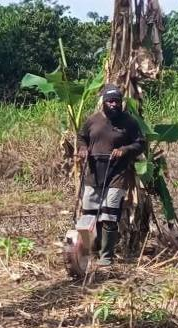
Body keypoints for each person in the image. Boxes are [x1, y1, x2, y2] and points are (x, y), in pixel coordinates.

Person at [76, 84, 147, 267]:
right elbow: (81, 137)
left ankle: (106, 256)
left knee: (109, 215)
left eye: (117, 101)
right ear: (104, 103)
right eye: (110, 101)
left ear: (121, 103)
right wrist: (83, 149)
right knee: (89, 215)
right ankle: (88, 252)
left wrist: (124, 150)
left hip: (117, 174)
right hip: (93, 174)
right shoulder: (93, 120)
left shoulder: (129, 122)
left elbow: (140, 144)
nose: (114, 104)